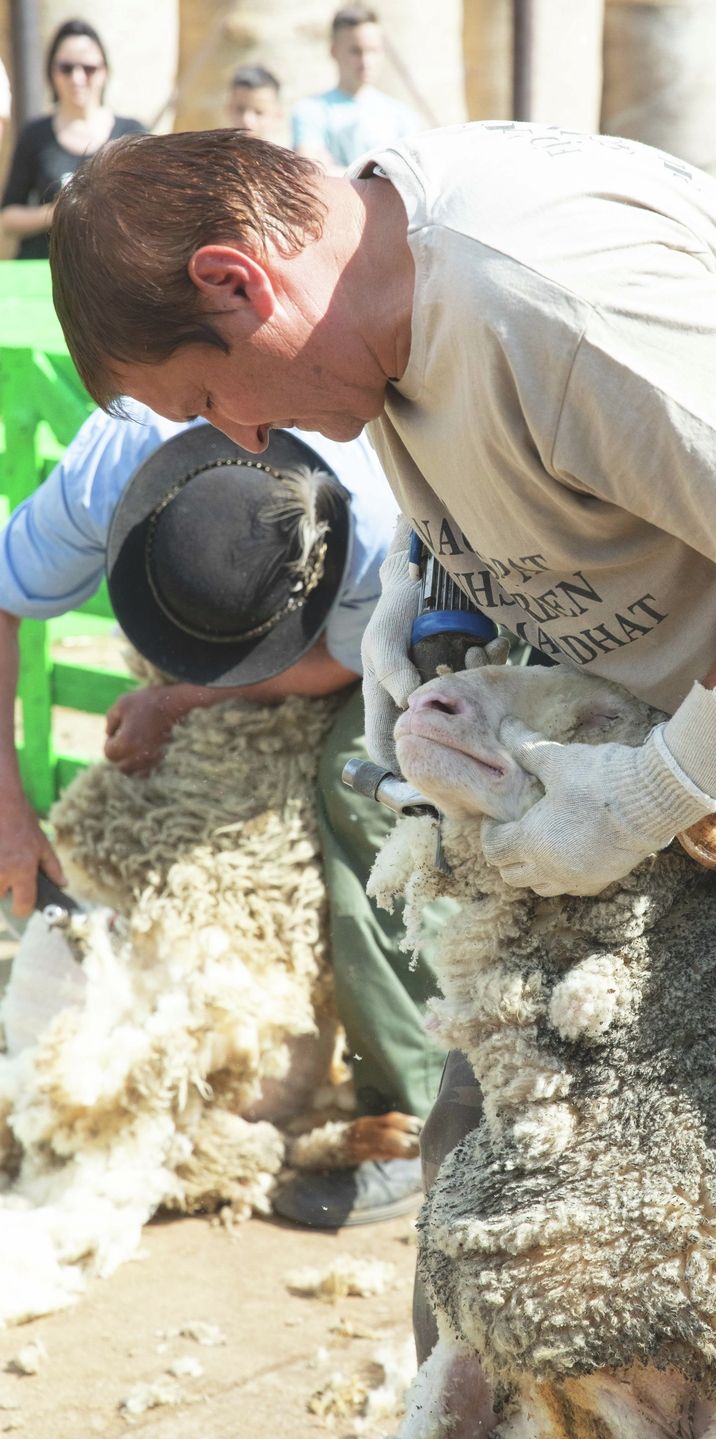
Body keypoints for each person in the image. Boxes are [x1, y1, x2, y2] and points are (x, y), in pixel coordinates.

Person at [47, 124, 716, 1439]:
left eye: (205, 397)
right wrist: (429, 625)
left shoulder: (538, 291)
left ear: (236, 282)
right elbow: (523, 504)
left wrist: (653, 789)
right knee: (506, 1204)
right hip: (663, 717)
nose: (240, 436)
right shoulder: (376, 331)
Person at [0, 405, 447, 1227]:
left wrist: (180, 697)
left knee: (370, 800)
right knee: (120, 832)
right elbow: (4, 597)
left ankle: (415, 1108)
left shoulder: (378, 522)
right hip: (237, 640)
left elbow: (352, 658)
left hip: (410, 616)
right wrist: (7, 809)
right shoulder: (113, 460)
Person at [0, 19, 144, 260]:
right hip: (46, 272)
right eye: (66, 68)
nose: (77, 78)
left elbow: (154, 212)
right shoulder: (35, 134)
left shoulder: (132, 134)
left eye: (88, 68)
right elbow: (7, 217)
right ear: (52, 73)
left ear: (104, 71)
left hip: (116, 273)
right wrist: (55, 213)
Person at [290, 6, 418, 171]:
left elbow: (410, 180)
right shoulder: (309, 110)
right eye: (355, 51)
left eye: (373, 50)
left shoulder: (402, 115)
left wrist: (334, 170)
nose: (365, 62)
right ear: (334, 51)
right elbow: (312, 176)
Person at [225, 63, 284, 144]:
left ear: (278, 115)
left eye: (259, 112)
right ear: (228, 108)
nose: (247, 120)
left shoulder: (289, 155)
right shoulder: (212, 154)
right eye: (240, 109)